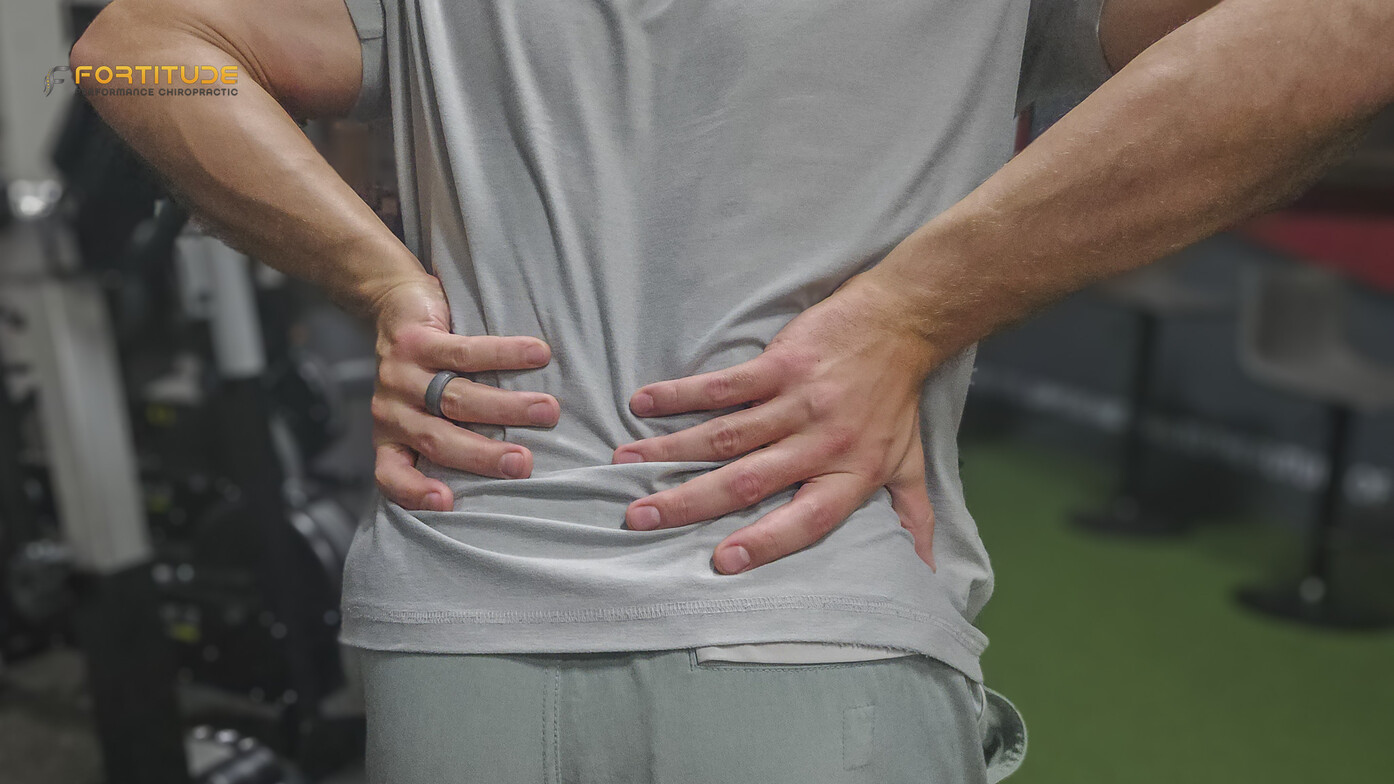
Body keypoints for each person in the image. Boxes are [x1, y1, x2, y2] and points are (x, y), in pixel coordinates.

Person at [72, 0, 1391, 781]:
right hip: (800, 614)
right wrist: (921, 304)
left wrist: (378, 279)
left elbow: (131, 44)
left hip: (452, 633)